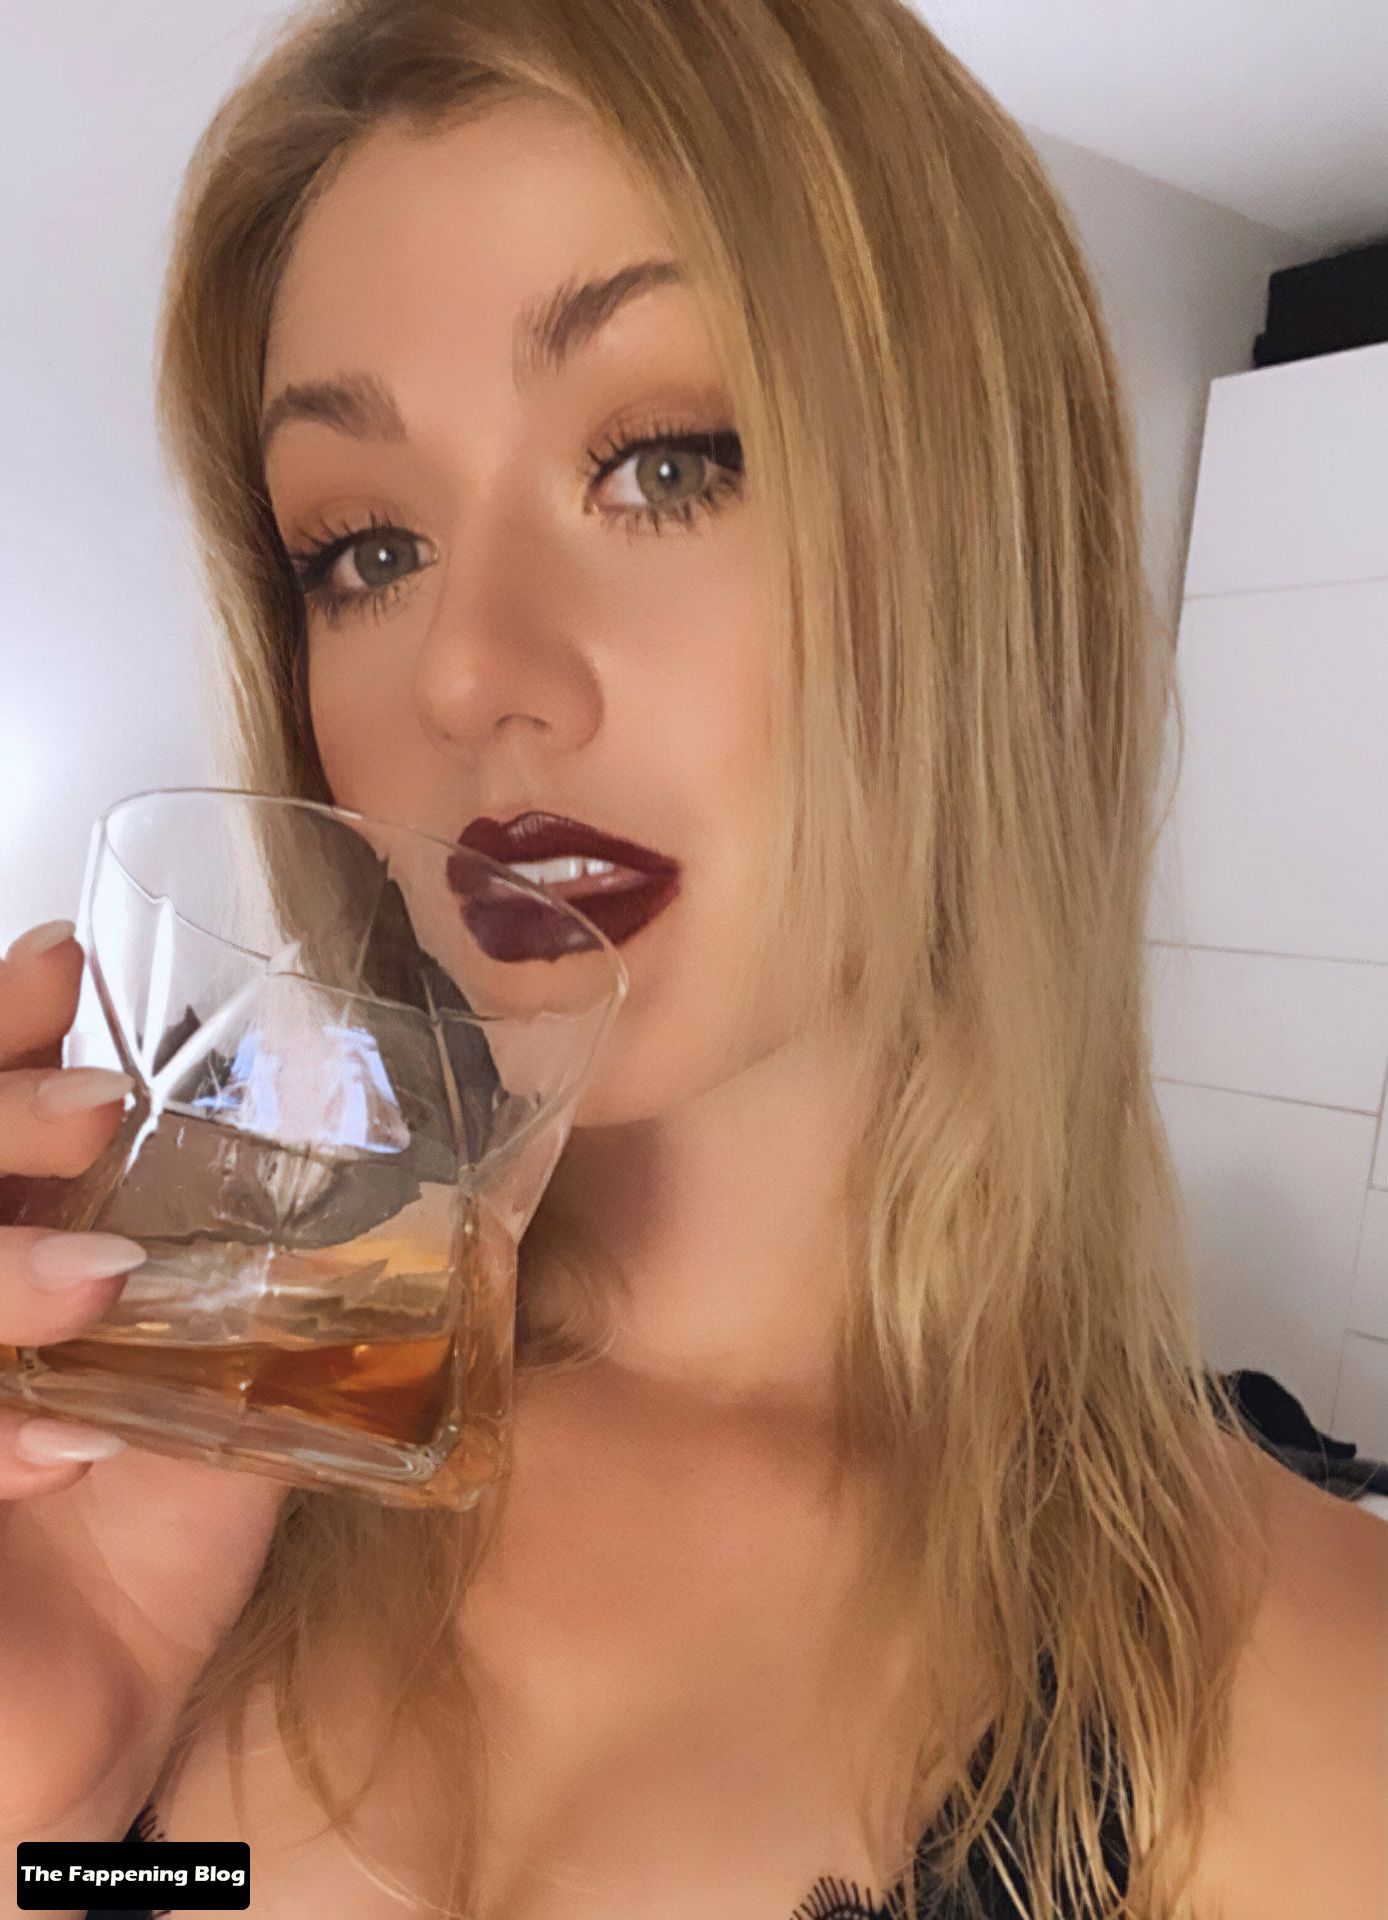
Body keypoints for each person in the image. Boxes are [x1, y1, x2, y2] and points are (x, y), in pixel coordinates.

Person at [2, 1, 1385, 1916]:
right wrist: (49, 1789)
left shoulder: (1310, 1702)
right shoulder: (169, 1446)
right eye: (365, 550)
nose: (467, 671)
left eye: (665, 464)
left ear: (983, 547)